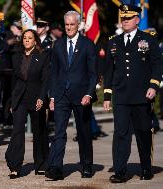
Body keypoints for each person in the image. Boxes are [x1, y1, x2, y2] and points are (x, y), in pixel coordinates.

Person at [103, 4, 163, 183]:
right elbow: (109, 71)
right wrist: (107, 96)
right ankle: (120, 171)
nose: (125, 21)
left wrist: (153, 86)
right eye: (123, 18)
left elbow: (157, 65)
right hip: (121, 97)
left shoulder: (148, 39)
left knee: (143, 133)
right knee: (121, 134)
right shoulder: (113, 41)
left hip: (142, 95)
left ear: (137, 20)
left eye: (128, 18)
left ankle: (146, 167)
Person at [45, 11, 97, 180]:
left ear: (79, 25)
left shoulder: (88, 44)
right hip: (61, 95)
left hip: (81, 96)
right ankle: (55, 167)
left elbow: (93, 73)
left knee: (83, 132)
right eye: (66, 24)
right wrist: (52, 96)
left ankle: (87, 165)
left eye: (72, 24)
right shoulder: (58, 45)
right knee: (59, 132)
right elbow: (54, 72)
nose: (68, 27)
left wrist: (89, 94)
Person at [5, 29, 49, 179]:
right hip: (20, 97)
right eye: (25, 38)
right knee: (17, 130)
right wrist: (11, 101)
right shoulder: (16, 57)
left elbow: (45, 80)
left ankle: (41, 164)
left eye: (30, 38)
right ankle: (14, 166)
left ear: (35, 40)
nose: (27, 40)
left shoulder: (42, 56)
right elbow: (14, 80)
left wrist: (42, 98)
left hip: (36, 97)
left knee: (39, 131)